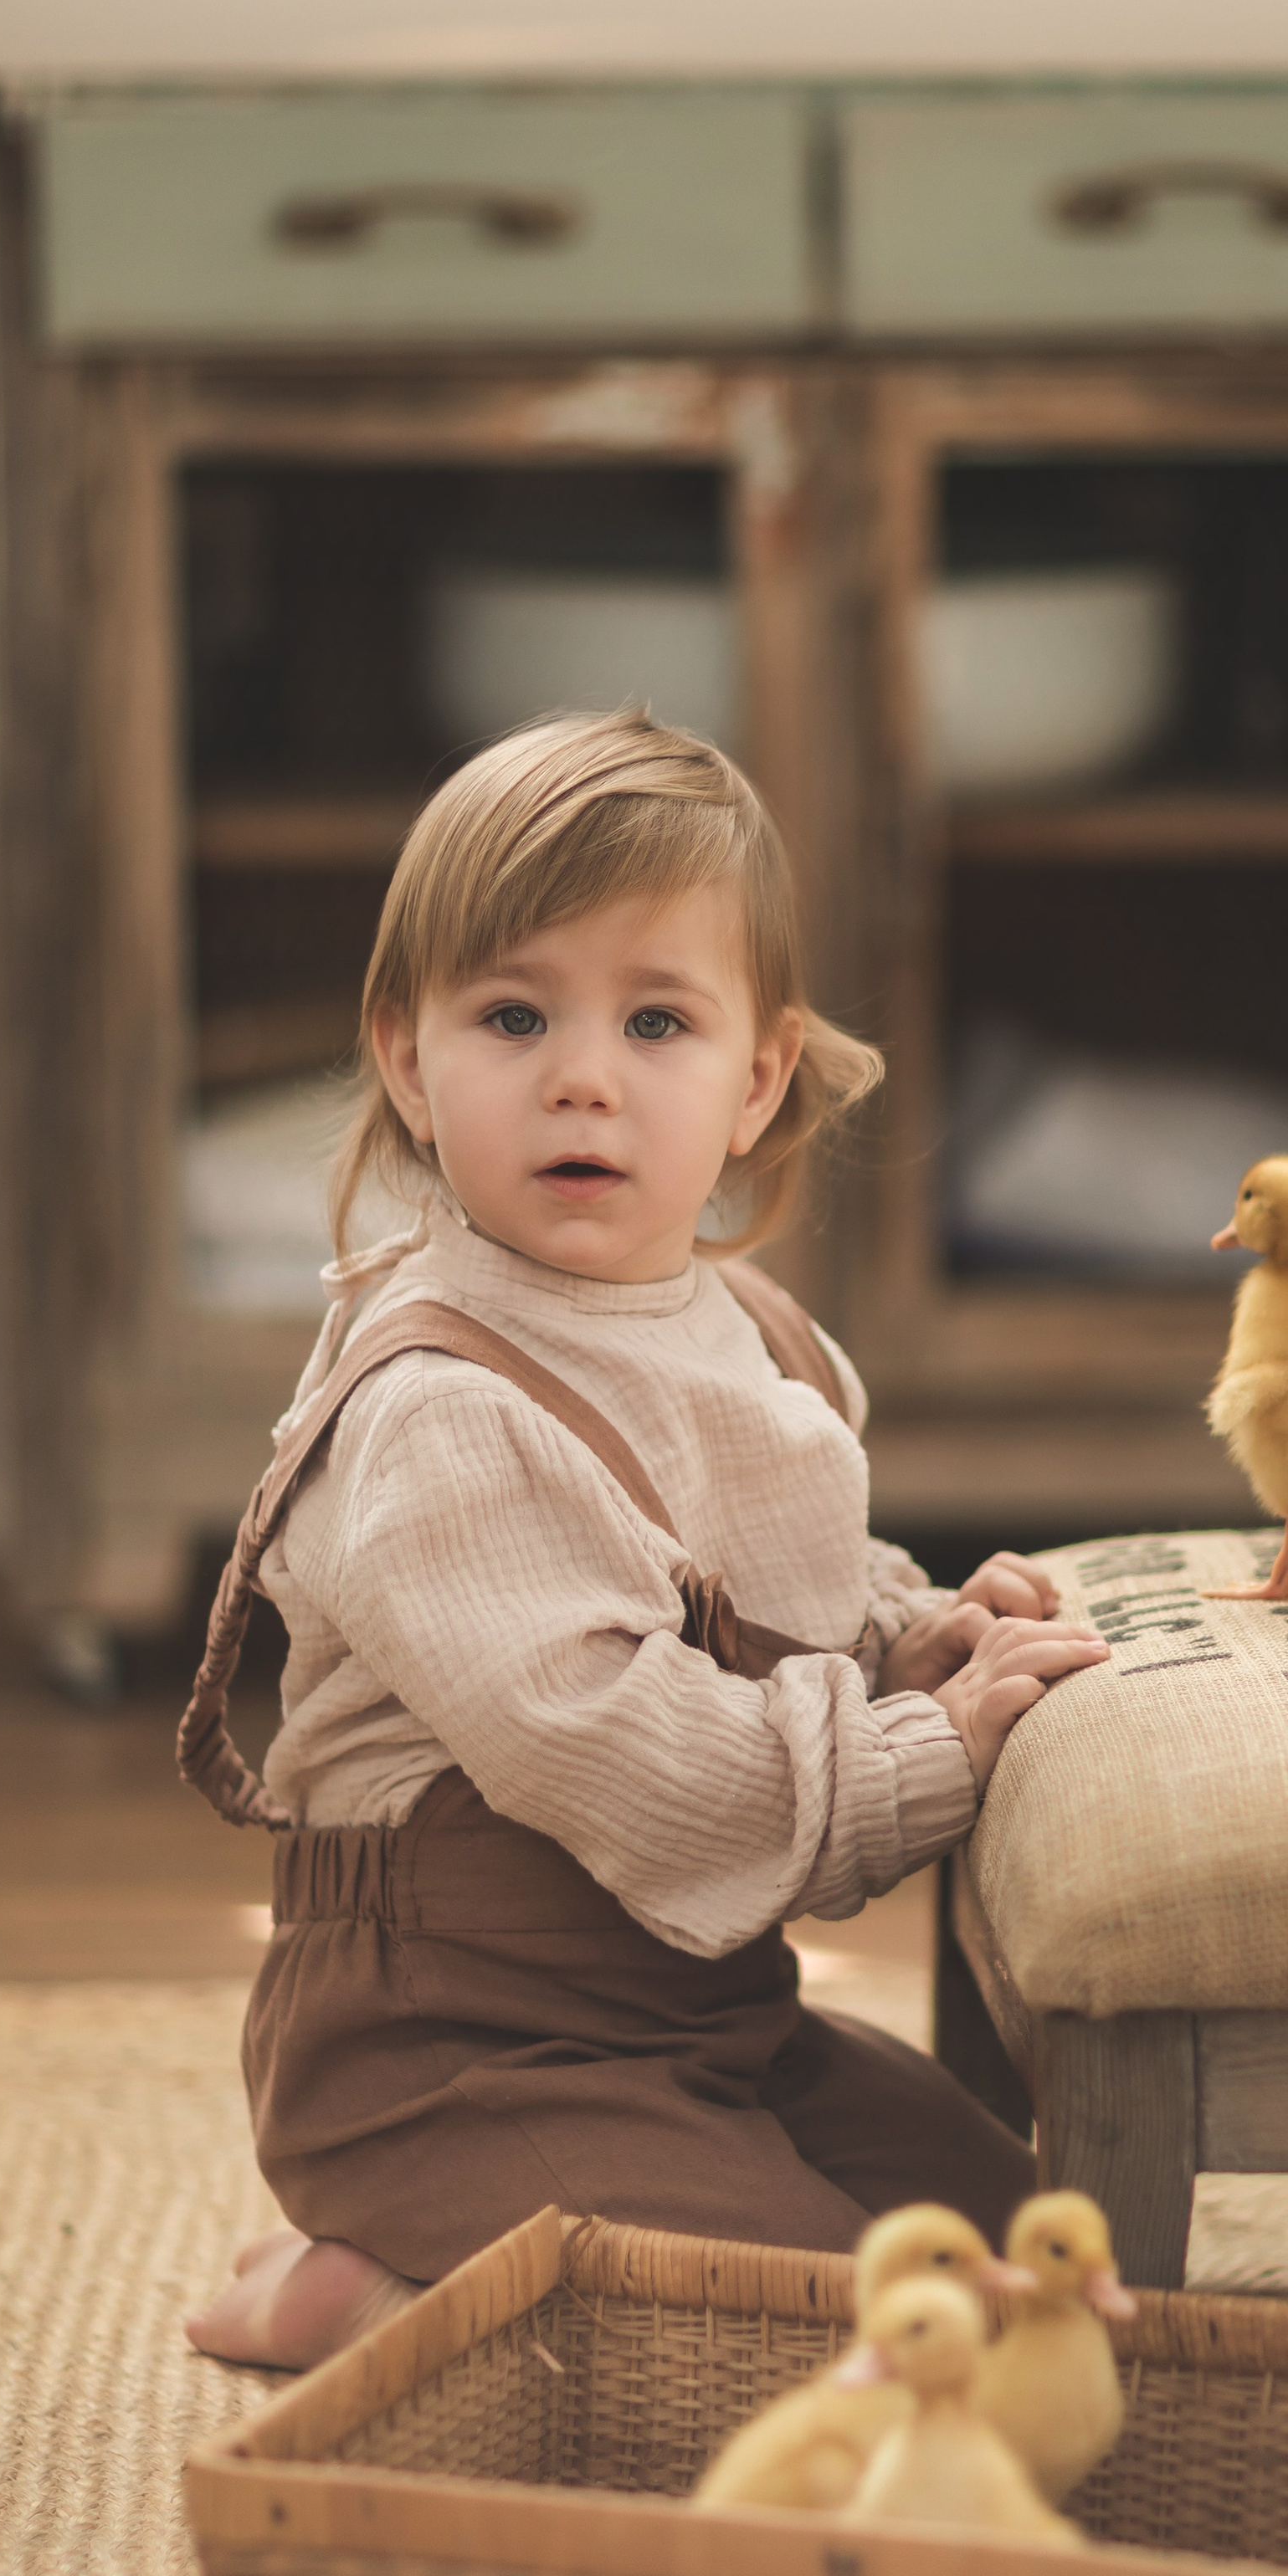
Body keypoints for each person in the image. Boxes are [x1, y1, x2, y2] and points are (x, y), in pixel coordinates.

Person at [181, 709, 1109, 2369]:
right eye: (514, 1015)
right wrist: (929, 1751)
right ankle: (381, 2293)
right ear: (408, 1060)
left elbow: (792, 1584)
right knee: (855, 2345)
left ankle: (505, 2259)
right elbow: (635, 1752)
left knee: (1025, 2249)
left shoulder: (757, 1339)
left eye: (656, 1020)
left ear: (757, 1078)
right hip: (445, 2051)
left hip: (706, 2013)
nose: (582, 1074)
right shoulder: (435, 1411)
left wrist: (914, 1639)